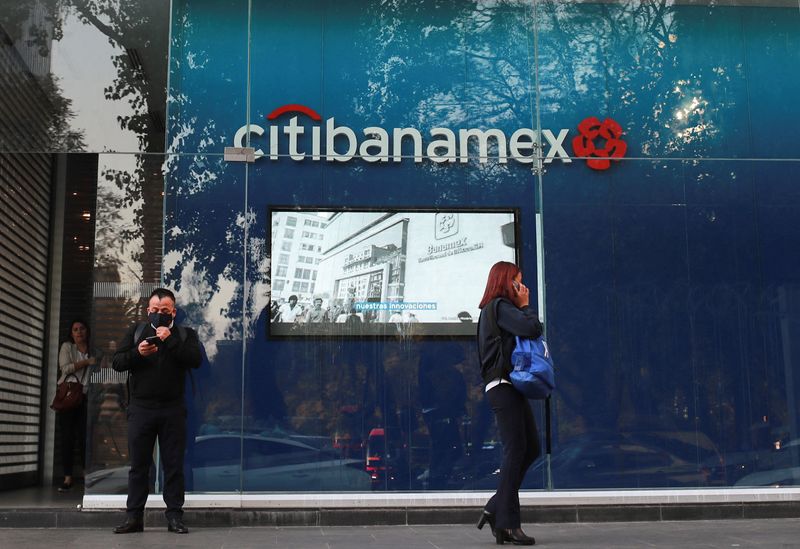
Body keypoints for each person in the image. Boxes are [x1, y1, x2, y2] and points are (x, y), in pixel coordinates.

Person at [111, 288, 202, 535]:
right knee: (138, 466)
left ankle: (174, 518)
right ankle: (134, 518)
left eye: (165, 311)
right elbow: (117, 362)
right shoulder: (137, 332)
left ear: (173, 311)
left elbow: (196, 360)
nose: (159, 314)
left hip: (173, 409)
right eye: (155, 310)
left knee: (174, 465)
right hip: (141, 409)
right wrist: (137, 354)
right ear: (147, 311)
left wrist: (169, 339)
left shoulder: (185, 335)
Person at [475, 261, 542, 546]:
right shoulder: (501, 306)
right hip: (502, 386)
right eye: (518, 281)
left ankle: (495, 508)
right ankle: (508, 524)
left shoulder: (497, 309)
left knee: (530, 448)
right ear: (507, 282)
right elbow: (532, 328)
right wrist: (526, 304)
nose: (522, 287)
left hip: (508, 387)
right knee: (516, 451)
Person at [56, 319, 101, 492]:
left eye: (82, 329)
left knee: (85, 438)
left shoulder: (94, 350)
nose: (79, 332)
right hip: (68, 397)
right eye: (75, 329)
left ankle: (85, 475)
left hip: (86, 397)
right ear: (71, 333)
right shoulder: (68, 347)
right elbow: (65, 368)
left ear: (87, 331)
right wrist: (86, 362)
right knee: (67, 438)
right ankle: (67, 477)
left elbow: (100, 370)